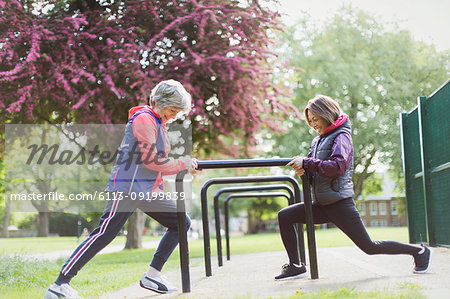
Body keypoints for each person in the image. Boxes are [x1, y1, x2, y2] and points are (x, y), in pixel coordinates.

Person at [45, 80, 198, 298]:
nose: (174, 116)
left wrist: (182, 165)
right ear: (160, 102)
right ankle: (59, 284)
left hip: (146, 190)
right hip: (127, 187)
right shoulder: (144, 119)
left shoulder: (158, 121)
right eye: (172, 110)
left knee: (181, 222)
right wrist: (182, 163)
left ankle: (152, 275)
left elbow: (158, 163)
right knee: (104, 233)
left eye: (177, 112)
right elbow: (151, 160)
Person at [275, 95, 431, 280]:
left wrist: (307, 163)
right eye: (310, 121)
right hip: (322, 204)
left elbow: (337, 166)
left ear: (326, 113)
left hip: (339, 204)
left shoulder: (342, 136)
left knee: (369, 247)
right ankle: (296, 265)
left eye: (315, 119)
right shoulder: (318, 140)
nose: (313, 124)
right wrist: (304, 173)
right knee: (285, 215)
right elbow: (317, 171)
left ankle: (420, 252)